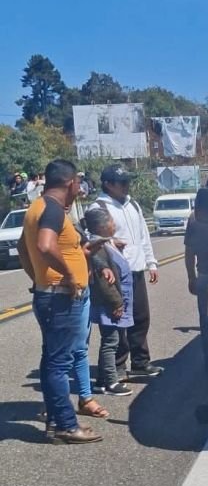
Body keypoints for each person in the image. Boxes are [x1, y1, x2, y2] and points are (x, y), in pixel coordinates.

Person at [17, 159, 106, 443]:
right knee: (59, 364)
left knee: (52, 361)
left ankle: (57, 420)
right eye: (79, 182)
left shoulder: (36, 207)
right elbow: (44, 245)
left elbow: (22, 248)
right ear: (70, 183)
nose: (80, 187)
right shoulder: (54, 209)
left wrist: (38, 278)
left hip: (49, 294)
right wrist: (68, 274)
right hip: (61, 298)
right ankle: (66, 426)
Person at [89, 165, 162, 378]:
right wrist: (112, 243)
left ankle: (140, 362)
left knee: (140, 317)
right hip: (115, 273)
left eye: (128, 181)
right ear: (108, 184)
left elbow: (143, 235)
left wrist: (151, 262)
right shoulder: (99, 207)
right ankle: (118, 366)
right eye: (122, 182)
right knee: (118, 320)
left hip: (136, 269)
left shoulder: (133, 205)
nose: (126, 186)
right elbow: (92, 240)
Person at [84, 205, 134, 396]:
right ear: (102, 226)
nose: (114, 224)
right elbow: (104, 281)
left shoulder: (105, 243)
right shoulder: (97, 247)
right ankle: (111, 382)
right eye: (111, 221)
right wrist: (116, 303)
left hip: (113, 301)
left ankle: (101, 381)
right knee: (111, 341)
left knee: (110, 340)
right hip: (109, 303)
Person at [185, 186, 208, 384]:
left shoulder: (196, 218)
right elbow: (189, 251)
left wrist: (191, 276)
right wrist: (192, 277)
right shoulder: (199, 218)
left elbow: (189, 252)